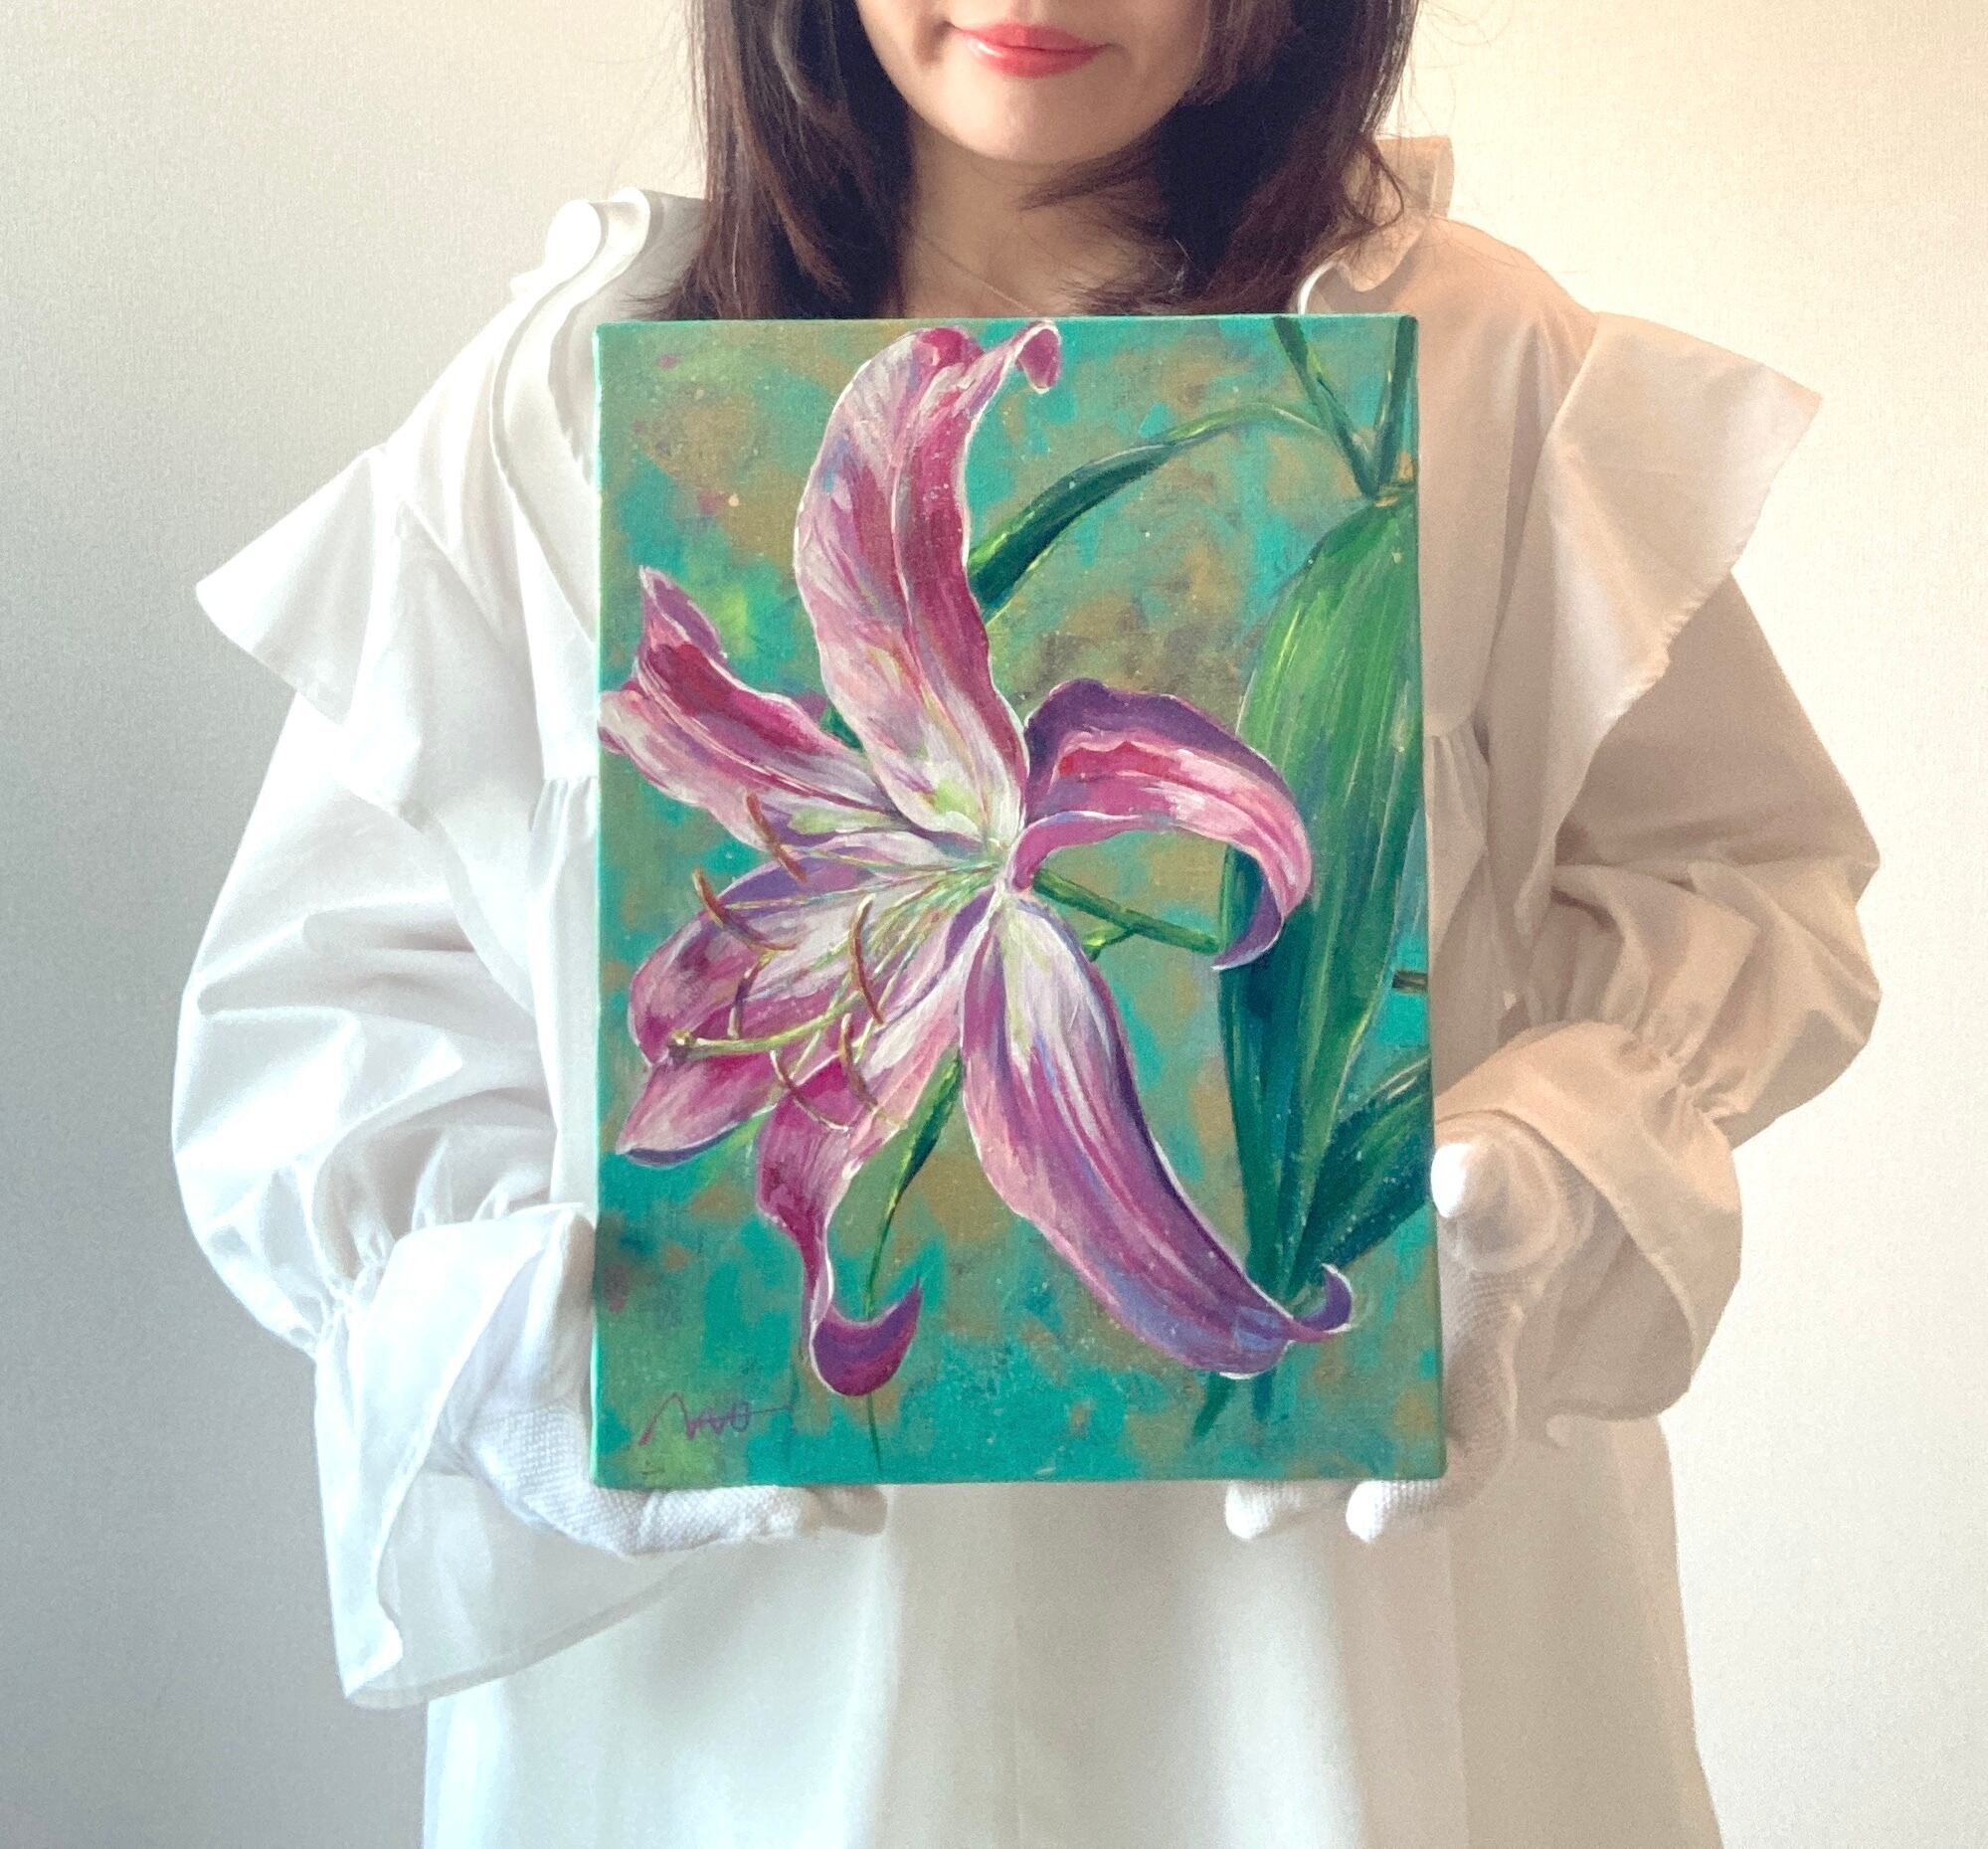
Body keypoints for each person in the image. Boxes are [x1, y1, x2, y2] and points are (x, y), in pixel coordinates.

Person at [169, 3, 1882, 1844]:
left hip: (1330, 1633)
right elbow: (329, 1007)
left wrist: (1550, 1176)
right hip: (751, 1686)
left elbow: (1740, 875)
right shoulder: (571, 398)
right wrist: (506, 1338)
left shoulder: (1466, 364)